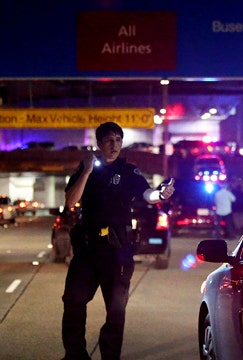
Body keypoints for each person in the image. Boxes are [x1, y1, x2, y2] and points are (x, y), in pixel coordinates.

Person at [61, 121, 175, 360]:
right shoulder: (87, 168)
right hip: (88, 250)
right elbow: (71, 202)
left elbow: (148, 194)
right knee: (73, 301)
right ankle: (75, 355)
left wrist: (160, 194)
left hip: (117, 250)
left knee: (115, 311)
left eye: (118, 140)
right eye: (109, 140)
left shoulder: (128, 171)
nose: (114, 145)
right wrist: (87, 172)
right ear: (99, 143)